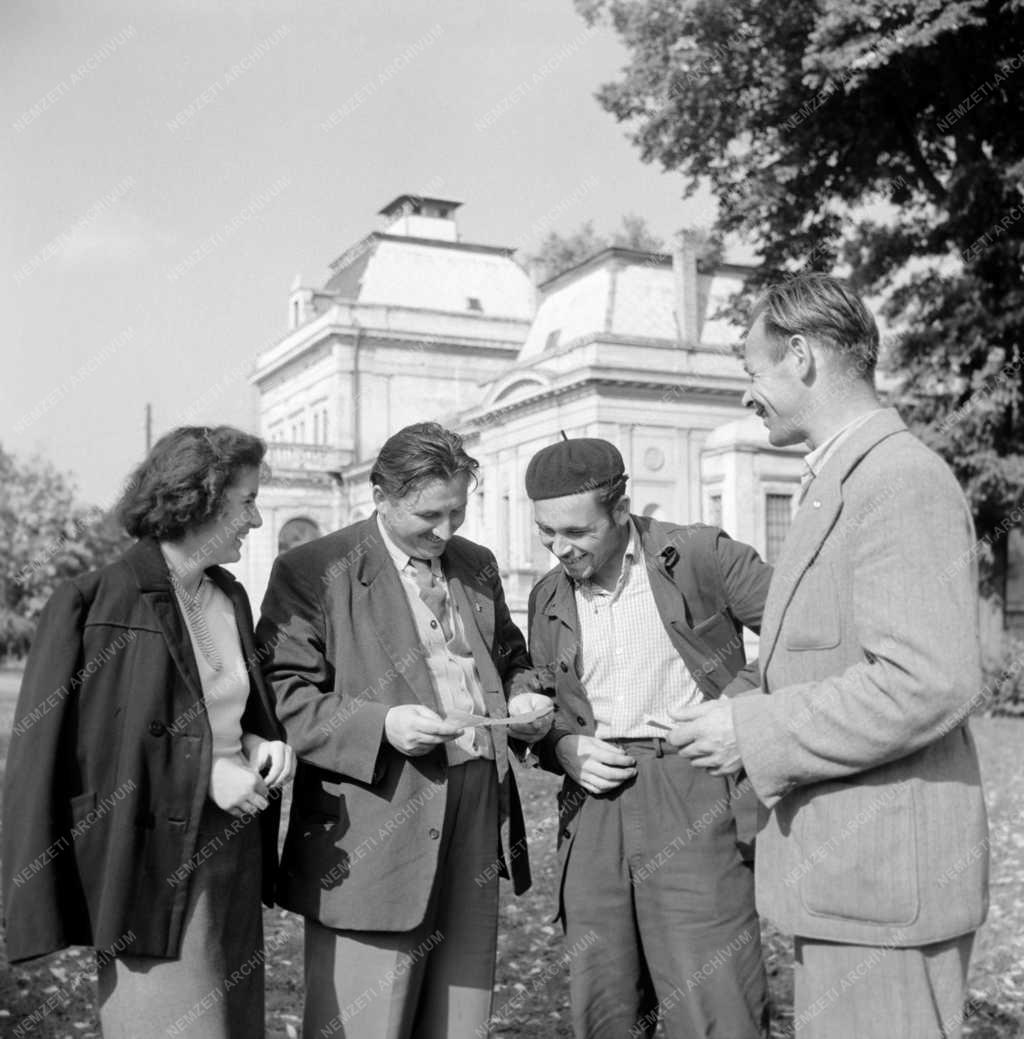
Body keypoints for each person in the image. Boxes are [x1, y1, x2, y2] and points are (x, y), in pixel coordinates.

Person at [668, 273, 989, 1039]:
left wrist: (752, 731)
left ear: (802, 356)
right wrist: (737, 708)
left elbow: (926, 681)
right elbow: (822, 662)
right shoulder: (842, 480)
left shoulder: (898, 480)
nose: (747, 394)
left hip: (885, 895)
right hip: (853, 888)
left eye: (753, 371)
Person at [256, 421, 552, 1039]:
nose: (445, 531)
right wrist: (381, 725)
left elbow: (511, 658)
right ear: (380, 498)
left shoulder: (476, 563)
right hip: (375, 817)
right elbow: (284, 695)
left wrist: (525, 696)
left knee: (460, 1012)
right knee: (366, 1019)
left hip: (477, 804)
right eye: (428, 516)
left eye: (457, 512)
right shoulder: (312, 570)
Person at [2, 425, 295, 1039]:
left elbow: (223, 713)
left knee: (235, 1024)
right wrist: (207, 773)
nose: (256, 519)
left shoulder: (229, 597)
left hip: (235, 844)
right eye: (246, 502)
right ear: (199, 502)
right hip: (151, 862)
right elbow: (74, 758)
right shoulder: (92, 602)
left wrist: (254, 743)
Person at [524, 436, 772, 1039]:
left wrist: (735, 707)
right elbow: (542, 698)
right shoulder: (547, 595)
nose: (560, 548)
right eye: (546, 532)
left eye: (577, 532)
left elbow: (807, 631)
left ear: (620, 509)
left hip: (692, 787)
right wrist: (559, 745)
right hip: (592, 805)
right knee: (604, 999)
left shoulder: (700, 554)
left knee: (714, 998)